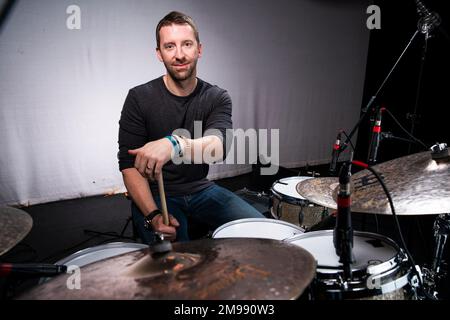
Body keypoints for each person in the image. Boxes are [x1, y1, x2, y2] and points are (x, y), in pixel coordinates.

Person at [117, 11, 265, 244]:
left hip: (202, 190)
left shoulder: (216, 97)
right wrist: (154, 216)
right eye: (169, 46)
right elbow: (128, 166)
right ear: (159, 54)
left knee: (264, 235)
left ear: (199, 49)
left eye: (187, 44)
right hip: (157, 195)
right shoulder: (139, 98)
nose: (179, 54)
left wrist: (175, 144)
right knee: (178, 258)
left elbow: (218, 147)